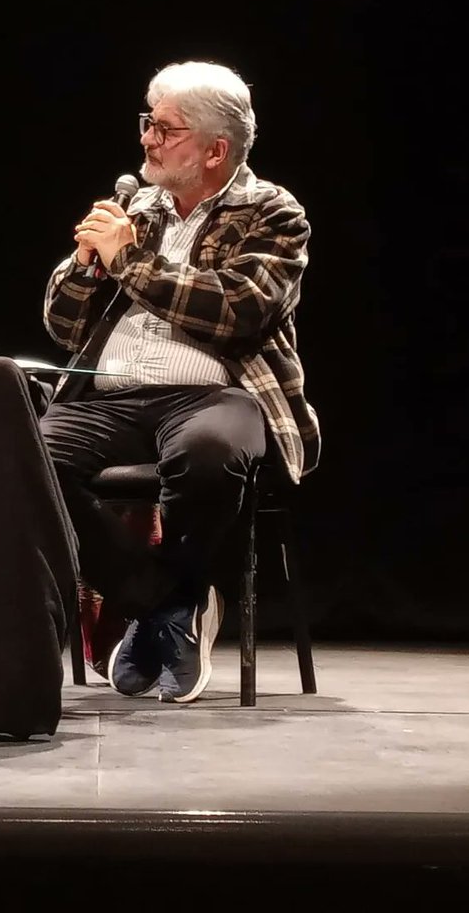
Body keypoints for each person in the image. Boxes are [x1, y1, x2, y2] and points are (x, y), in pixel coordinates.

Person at [39, 60, 319, 704]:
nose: (147, 139)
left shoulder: (273, 212)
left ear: (216, 150)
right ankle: (167, 602)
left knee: (210, 456)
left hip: (220, 393)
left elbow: (236, 309)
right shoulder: (137, 206)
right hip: (110, 393)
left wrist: (127, 261)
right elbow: (61, 325)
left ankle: (166, 601)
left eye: (165, 129)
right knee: (28, 460)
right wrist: (85, 264)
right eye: (148, 123)